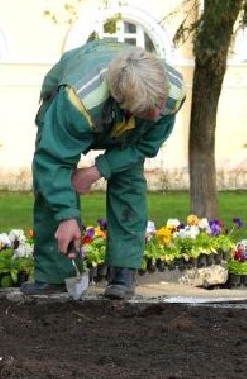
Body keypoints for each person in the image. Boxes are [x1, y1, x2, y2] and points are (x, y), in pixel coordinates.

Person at [21, 39, 185, 301]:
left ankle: (123, 271)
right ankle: (54, 274)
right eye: (147, 110)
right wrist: (66, 216)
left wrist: (98, 169)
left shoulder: (172, 93)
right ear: (122, 101)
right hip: (76, 104)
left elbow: (145, 144)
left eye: (160, 104)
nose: (156, 115)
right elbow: (52, 161)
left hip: (123, 115)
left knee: (128, 180)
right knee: (53, 183)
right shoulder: (77, 100)